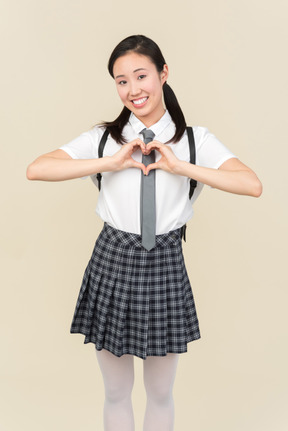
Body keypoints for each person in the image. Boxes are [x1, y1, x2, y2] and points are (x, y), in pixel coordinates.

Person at [27, 35, 262, 431]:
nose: (133, 89)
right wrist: (110, 161)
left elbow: (251, 184)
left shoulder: (194, 140)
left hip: (166, 263)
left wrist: (181, 167)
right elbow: (37, 169)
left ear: (163, 73)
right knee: (116, 393)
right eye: (121, 81)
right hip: (111, 261)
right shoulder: (104, 139)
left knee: (161, 393)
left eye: (141, 76)